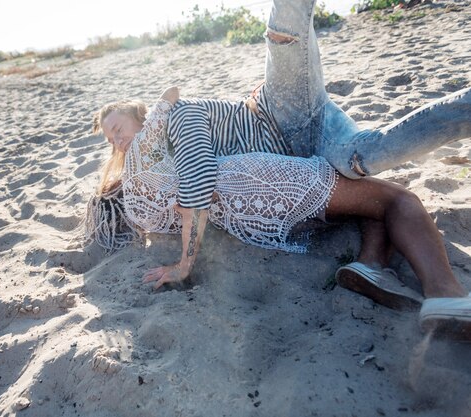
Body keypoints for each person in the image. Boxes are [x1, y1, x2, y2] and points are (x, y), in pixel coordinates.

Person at [86, 0, 471, 337]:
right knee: (369, 160)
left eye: (117, 129)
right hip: (304, 154)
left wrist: (185, 264)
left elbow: (198, 178)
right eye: (109, 140)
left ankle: (401, 276)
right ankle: (375, 265)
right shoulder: (156, 164)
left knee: (284, 30)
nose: (116, 141)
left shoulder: (175, 116)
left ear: (142, 115)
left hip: (282, 112)